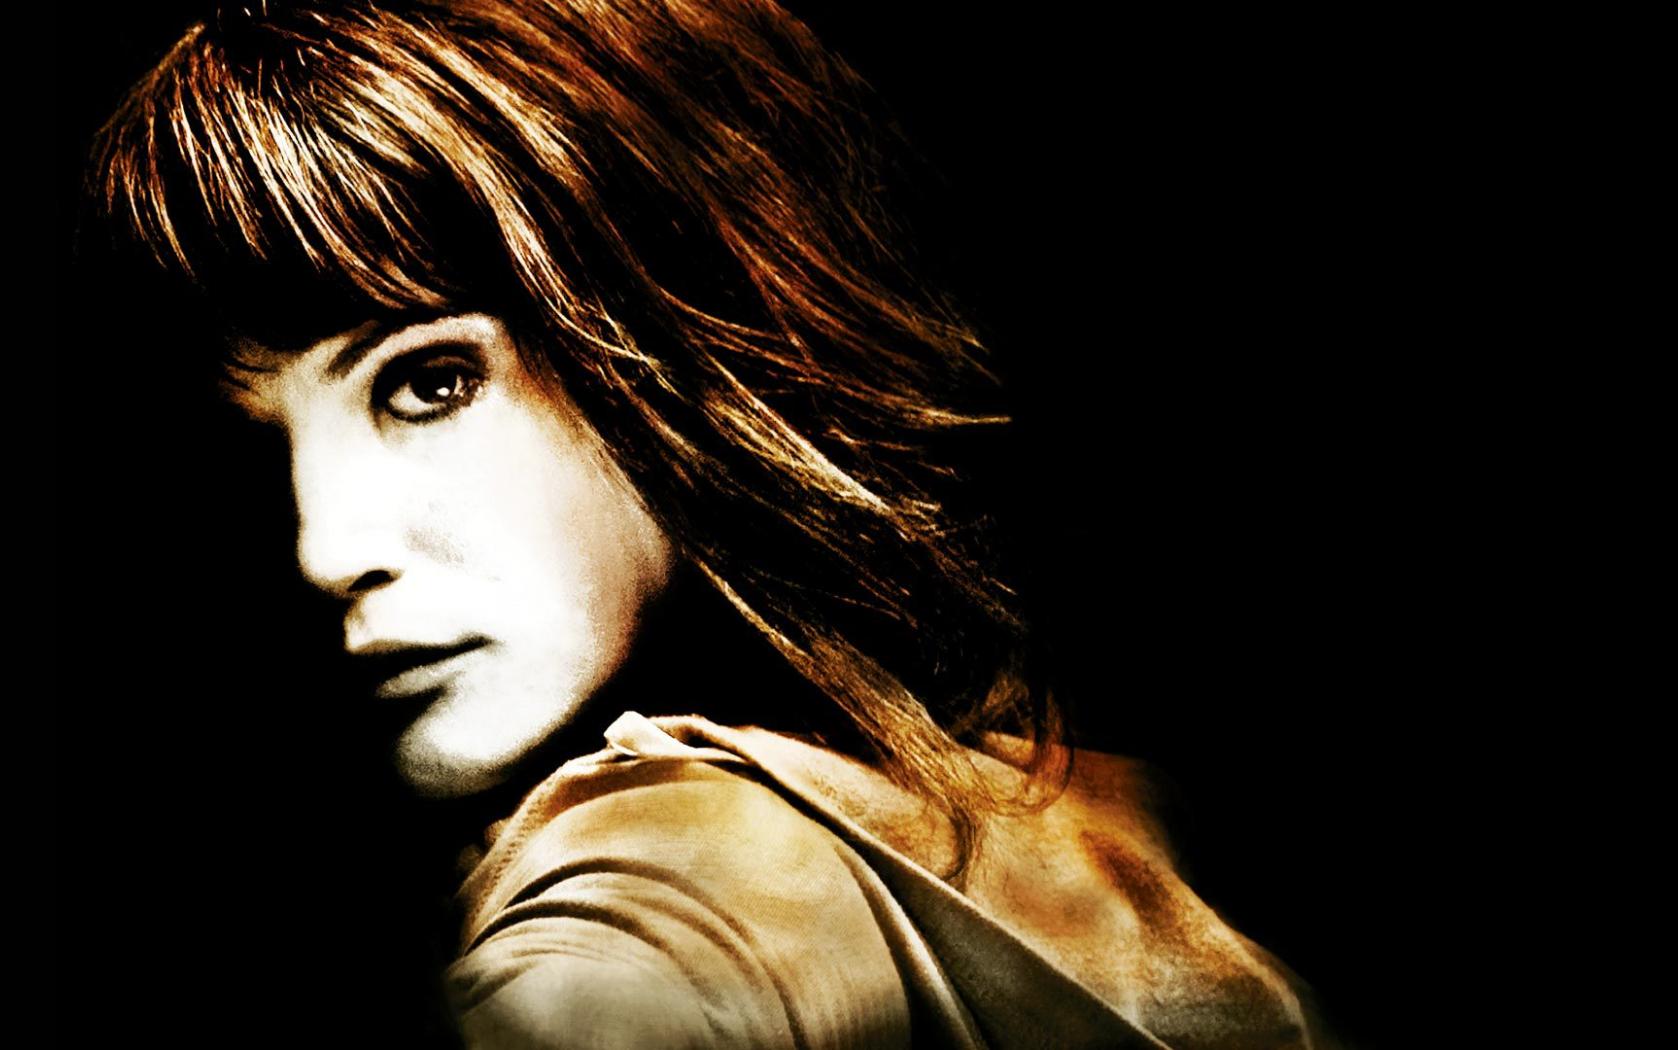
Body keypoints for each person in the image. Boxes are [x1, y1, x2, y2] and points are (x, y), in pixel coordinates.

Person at [78, 2, 1339, 1047]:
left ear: (679, 314)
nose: (324, 547)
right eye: (261, 447)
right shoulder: (1091, 820)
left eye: (430, 383)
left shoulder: (645, 891)